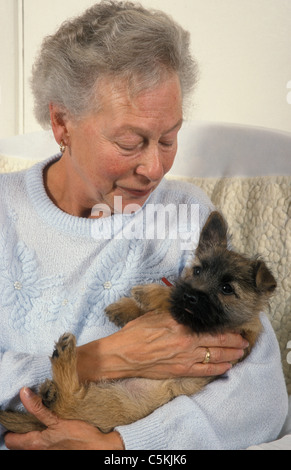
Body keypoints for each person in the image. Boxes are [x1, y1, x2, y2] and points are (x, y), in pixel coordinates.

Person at [0, 0, 287, 450]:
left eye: (169, 138)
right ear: (61, 123)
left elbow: (261, 399)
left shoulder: (187, 214)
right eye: (130, 142)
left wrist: (121, 446)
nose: (154, 169)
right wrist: (98, 360)